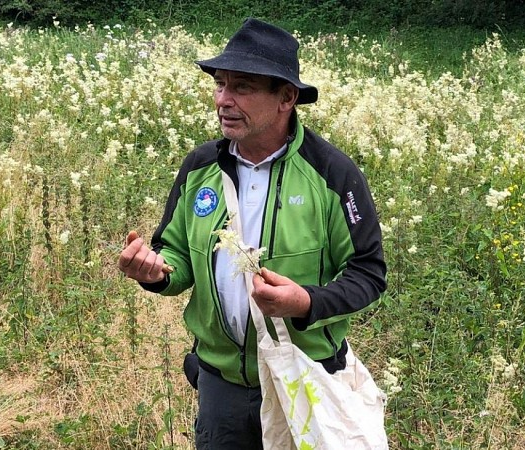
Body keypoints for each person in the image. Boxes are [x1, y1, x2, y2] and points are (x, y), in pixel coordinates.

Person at [117, 17, 387, 449]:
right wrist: (157, 272)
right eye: (220, 84)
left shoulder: (333, 174)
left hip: (304, 376)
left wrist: (306, 302)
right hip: (221, 384)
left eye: (241, 87)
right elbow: (176, 255)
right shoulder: (199, 167)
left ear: (286, 98)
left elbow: (369, 274)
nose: (223, 100)